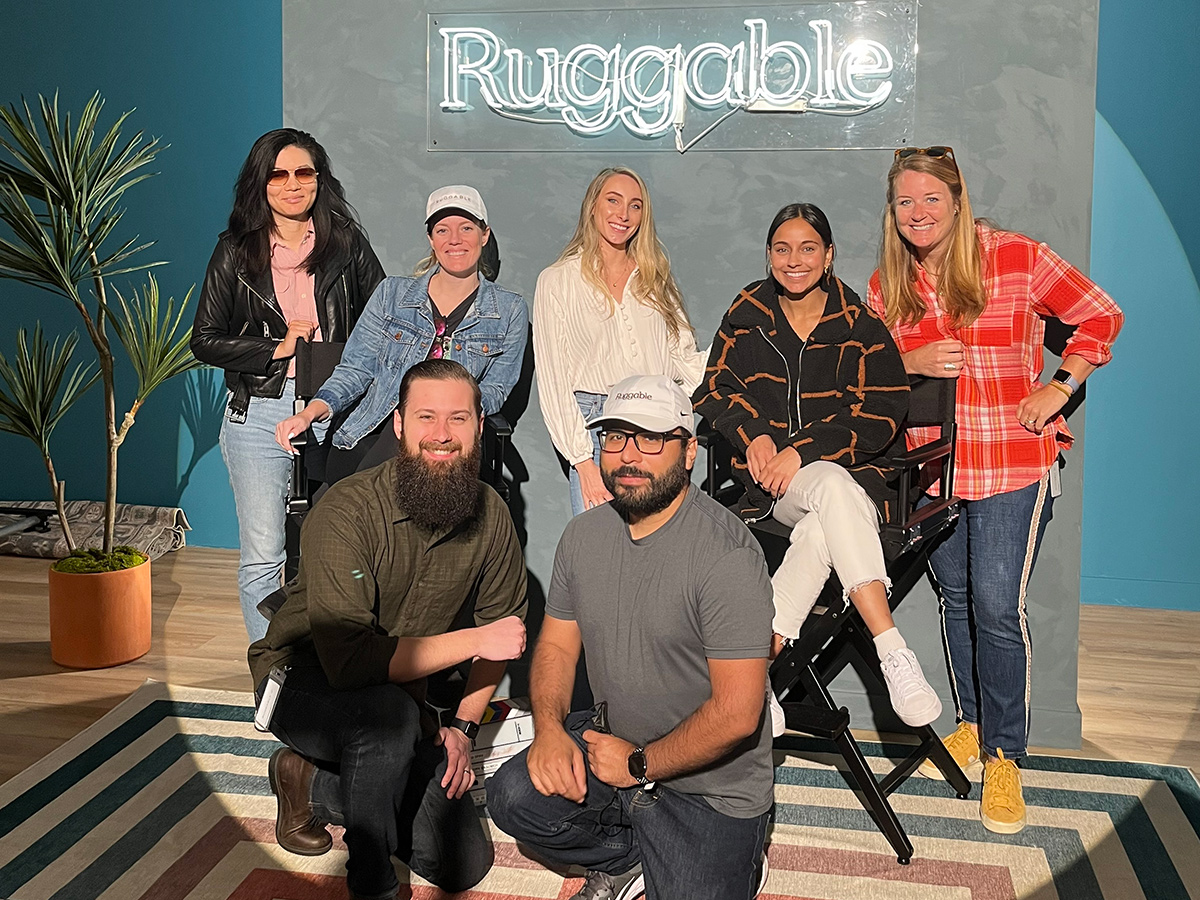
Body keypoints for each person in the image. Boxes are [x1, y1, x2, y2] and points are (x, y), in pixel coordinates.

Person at [868, 145, 1124, 834]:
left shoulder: (1016, 256)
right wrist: (908, 358)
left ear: (956, 198)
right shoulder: (888, 283)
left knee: (995, 605)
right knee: (955, 598)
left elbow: (1100, 316)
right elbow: (863, 369)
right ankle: (972, 726)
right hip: (936, 470)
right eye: (904, 201)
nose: (918, 212)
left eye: (929, 198)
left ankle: (1006, 753)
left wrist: (1059, 386)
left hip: (1012, 461)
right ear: (892, 212)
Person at [248, 359, 528, 900]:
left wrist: (465, 732)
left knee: (461, 863)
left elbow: (503, 633)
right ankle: (372, 883)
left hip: (398, 698)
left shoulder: (490, 515)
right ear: (398, 424)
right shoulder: (347, 510)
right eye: (426, 417)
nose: (442, 435)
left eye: (458, 419)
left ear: (477, 427)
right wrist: (472, 641)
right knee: (388, 721)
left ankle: (313, 782)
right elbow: (351, 663)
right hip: (303, 682)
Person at [488, 375, 774, 900]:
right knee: (512, 795)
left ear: (689, 452)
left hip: (707, 788)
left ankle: (731, 862)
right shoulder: (584, 535)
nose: (627, 456)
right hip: (610, 749)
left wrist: (638, 765)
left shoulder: (726, 555)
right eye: (614, 437)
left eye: (650, 438)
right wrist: (549, 729)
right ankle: (627, 860)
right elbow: (554, 646)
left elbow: (738, 714)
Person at [693, 203, 943, 733]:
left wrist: (804, 448)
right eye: (782, 249)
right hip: (773, 488)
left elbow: (884, 406)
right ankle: (891, 647)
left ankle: (756, 677)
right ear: (768, 255)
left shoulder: (857, 323)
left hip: (856, 485)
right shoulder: (747, 313)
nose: (794, 260)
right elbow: (713, 388)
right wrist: (753, 433)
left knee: (819, 524)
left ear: (828, 256)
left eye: (808, 248)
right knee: (826, 489)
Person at [191, 128, 385, 642]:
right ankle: (272, 677)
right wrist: (275, 347)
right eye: (279, 174)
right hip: (259, 411)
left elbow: (383, 326)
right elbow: (205, 340)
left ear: (319, 181)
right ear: (261, 183)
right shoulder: (235, 251)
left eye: (304, 173)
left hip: (339, 412)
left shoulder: (347, 244)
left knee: (345, 551)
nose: (292, 185)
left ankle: (333, 671)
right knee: (263, 556)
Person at [275, 184, 528, 483]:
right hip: (373, 430)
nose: (455, 240)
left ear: (484, 235)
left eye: (467, 228)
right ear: (431, 239)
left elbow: (494, 392)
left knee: (395, 475)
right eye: (443, 230)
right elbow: (356, 369)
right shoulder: (392, 294)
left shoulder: (510, 310)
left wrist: (437, 416)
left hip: (447, 444)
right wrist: (311, 412)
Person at [533, 166, 708, 516]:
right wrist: (583, 462)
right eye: (613, 200)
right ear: (592, 207)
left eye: (635, 205)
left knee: (659, 548)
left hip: (657, 425)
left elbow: (685, 361)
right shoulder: (557, 280)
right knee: (600, 552)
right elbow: (554, 381)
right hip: (597, 428)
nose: (623, 214)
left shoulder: (656, 278)